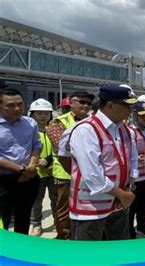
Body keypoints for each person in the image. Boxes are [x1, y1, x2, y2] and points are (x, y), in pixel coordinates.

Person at [68, 85, 137, 240]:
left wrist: (129, 187)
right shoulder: (86, 130)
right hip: (91, 208)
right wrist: (122, 194)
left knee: (118, 252)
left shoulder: (124, 129)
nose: (130, 108)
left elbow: (131, 160)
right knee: (89, 257)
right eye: (126, 104)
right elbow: (92, 175)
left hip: (119, 203)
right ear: (110, 105)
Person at [46, 90, 94, 239]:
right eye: (82, 102)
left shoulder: (93, 120)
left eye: (88, 103)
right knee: (64, 209)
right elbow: (62, 150)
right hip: (66, 174)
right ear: (71, 103)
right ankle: (65, 237)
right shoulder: (59, 122)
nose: (85, 106)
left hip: (89, 175)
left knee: (86, 207)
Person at [0, 88, 41, 234]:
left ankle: (21, 250)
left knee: (23, 218)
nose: (17, 108)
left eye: (20, 104)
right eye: (10, 105)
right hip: (3, 179)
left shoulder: (30, 123)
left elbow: (36, 145)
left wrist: (31, 167)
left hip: (28, 178)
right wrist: (21, 169)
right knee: (2, 220)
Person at [29, 99, 58, 237]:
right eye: (39, 113)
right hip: (36, 172)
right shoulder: (30, 131)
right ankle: (36, 224)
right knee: (37, 200)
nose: (42, 116)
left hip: (54, 171)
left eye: (46, 113)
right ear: (32, 114)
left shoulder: (54, 129)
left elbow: (59, 148)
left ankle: (59, 223)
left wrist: (48, 160)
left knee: (56, 199)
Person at [128, 101, 145, 238]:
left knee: (144, 204)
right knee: (132, 206)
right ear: (135, 115)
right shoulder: (130, 131)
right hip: (135, 176)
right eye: (142, 116)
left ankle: (142, 226)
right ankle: (129, 230)